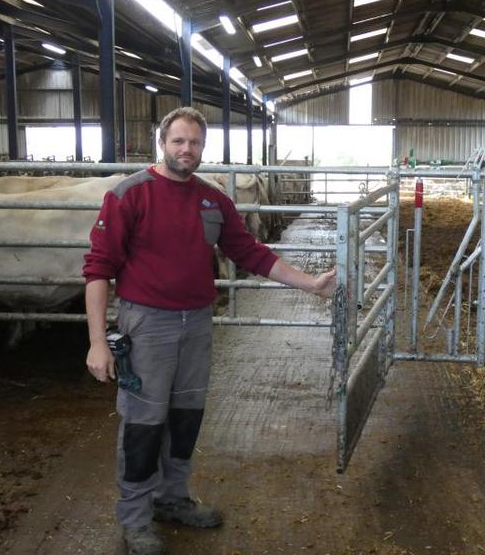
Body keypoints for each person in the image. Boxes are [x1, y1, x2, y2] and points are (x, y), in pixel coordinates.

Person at [83, 106, 335, 555]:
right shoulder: (129, 195)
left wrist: (311, 283)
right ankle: (136, 518)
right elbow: (98, 269)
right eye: (178, 141)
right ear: (162, 142)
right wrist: (98, 341)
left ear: (203, 147)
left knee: (185, 416)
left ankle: (173, 497)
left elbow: (249, 252)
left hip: (197, 321)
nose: (187, 149)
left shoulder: (213, 199)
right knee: (143, 423)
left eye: (195, 143)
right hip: (147, 324)